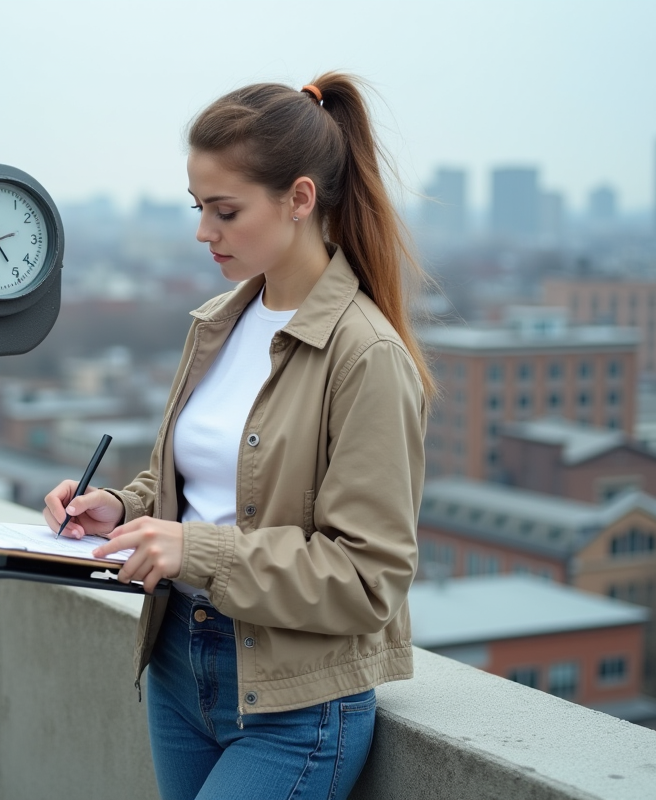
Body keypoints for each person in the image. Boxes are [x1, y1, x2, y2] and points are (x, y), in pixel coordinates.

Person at [42, 72, 435, 800]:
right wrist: (123, 509)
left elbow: (367, 578)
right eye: (198, 207)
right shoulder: (217, 325)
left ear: (300, 198)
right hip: (175, 664)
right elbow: (200, 487)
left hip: (293, 703)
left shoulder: (366, 356)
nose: (203, 232)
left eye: (225, 211)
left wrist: (194, 550)